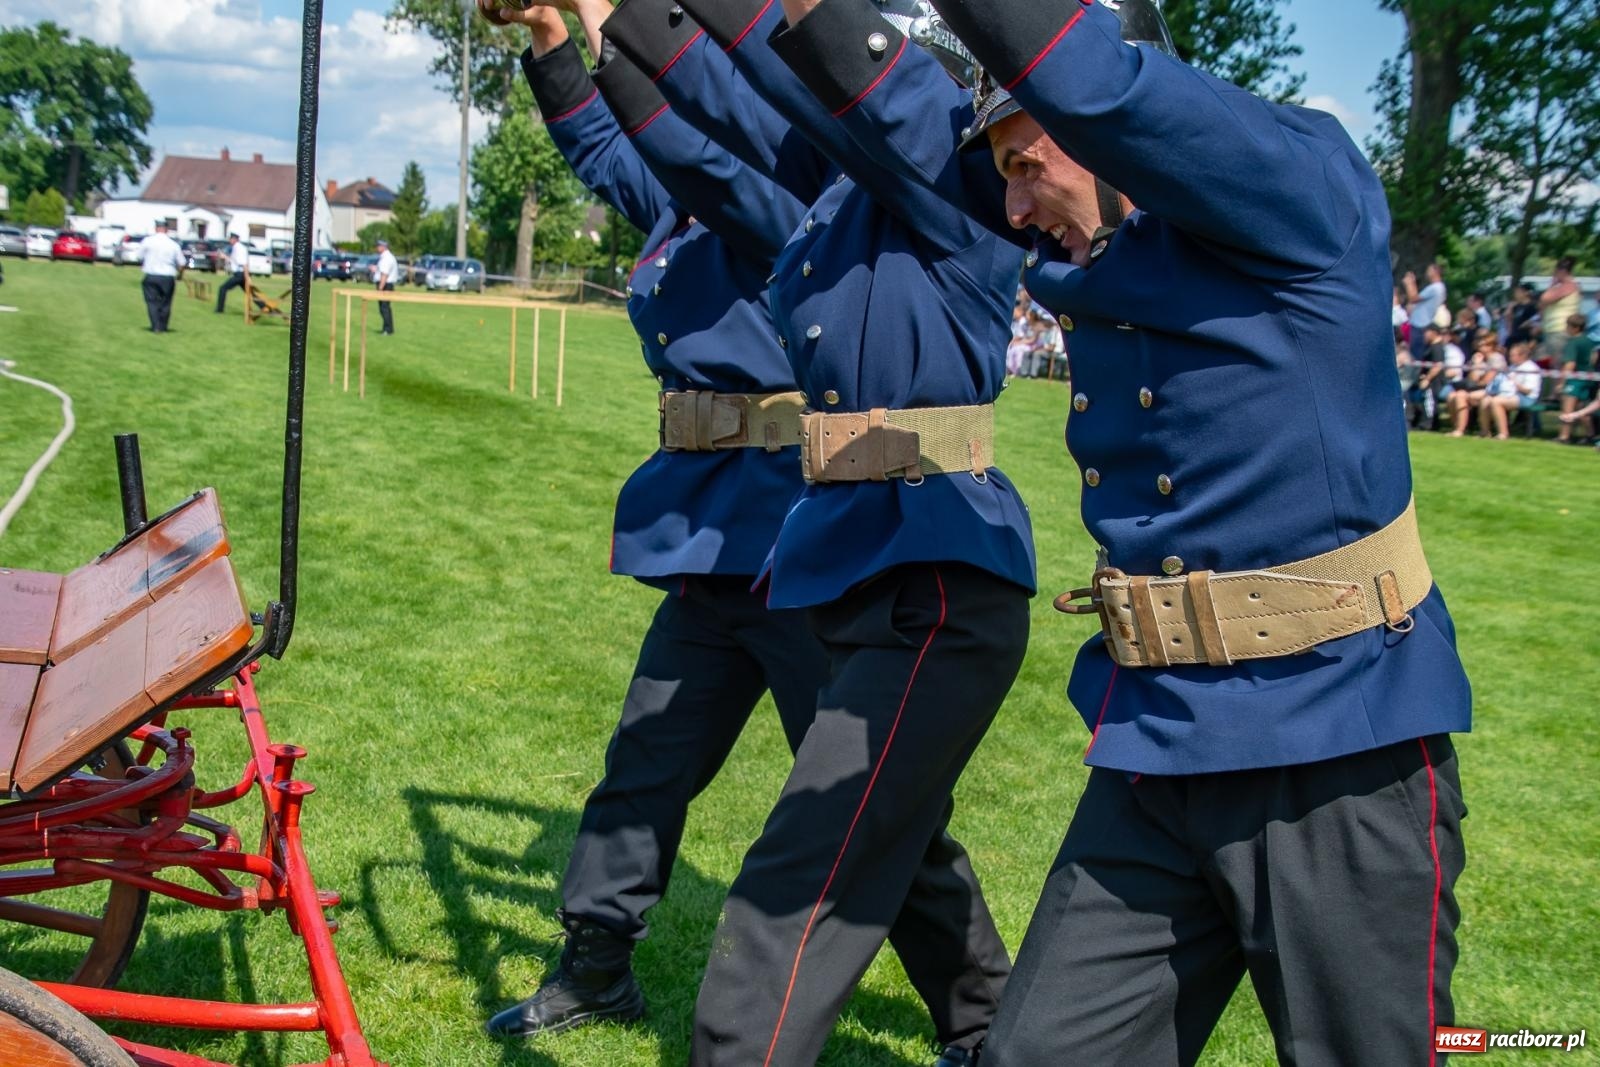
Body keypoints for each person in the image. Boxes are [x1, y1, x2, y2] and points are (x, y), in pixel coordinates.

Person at [859, 0, 1471, 1060]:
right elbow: (875, 112)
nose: (1011, 205)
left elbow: (1104, 88)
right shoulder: (1116, 255)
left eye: (1024, 162)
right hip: (1163, 737)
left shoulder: (1297, 182)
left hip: (1335, 738)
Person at [481, 7, 1012, 1063]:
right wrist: (555, 38)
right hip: (711, 531)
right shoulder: (703, 191)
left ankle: (982, 1013)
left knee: (866, 807)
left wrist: (609, 16)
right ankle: (594, 957)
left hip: (796, 529)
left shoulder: (810, 194)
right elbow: (617, 138)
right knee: (647, 756)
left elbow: (714, 121)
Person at [1479, 341, 1543, 438]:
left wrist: (1515, 382)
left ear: (1523, 356)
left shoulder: (1531, 368)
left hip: (1527, 398)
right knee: (1485, 401)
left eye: (1513, 355)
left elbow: (1528, 391)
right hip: (1510, 394)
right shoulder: (1513, 367)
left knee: (1496, 402)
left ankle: (1503, 433)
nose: (1510, 358)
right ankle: (1485, 432)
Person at [1555, 313, 1596, 444]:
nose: (1566, 329)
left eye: (1568, 326)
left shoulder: (1573, 342)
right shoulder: (1589, 341)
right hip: (1589, 377)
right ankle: (1590, 435)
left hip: (1575, 379)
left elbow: (1570, 364)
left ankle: (1564, 436)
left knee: (1568, 405)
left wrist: (1562, 382)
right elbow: (1594, 357)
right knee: (1581, 408)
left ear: (1575, 328)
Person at [138, 221, 186, 333]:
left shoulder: (148, 241)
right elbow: (182, 263)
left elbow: (139, 256)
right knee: (166, 302)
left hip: (151, 275)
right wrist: (180, 275)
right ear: (166, 230)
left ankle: (155, 326)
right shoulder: (173, 244)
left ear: (156, 229)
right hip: (168, 276)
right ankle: (163, 326)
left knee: (152, 302)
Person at [1538, 256, 1580, 361]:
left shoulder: (1568, 286)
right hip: (1552, 330)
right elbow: (1542, 305)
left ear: (1562, 271)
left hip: (1560, 330)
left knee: (1557, 363)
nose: (1554, 275)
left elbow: (1545, 298)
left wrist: (1552, 284)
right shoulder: (1563, 287)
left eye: (1555, 272)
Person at [1405, 262, 1448, 361]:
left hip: (1420, 323)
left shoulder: (1434, 287)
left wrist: (1410, 283)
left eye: (1429, 270)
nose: (1427, 272)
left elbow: (1413, 298)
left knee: (1414, 353)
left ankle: (1412, 374)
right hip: (1424, 322)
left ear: (1435, 272)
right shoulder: (1441, 288)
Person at [214, 233, 250, 314]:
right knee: (249, 293)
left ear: (235, 239)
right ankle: (264, 306)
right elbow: (234, 261)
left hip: (240, 274)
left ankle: (220, 309)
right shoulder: (237, 247)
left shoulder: (238, 248)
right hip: (240, 274)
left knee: (222, 288)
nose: (229, 240)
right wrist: (225, 257)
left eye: (231, 239)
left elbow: (243, 263)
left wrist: (247, 276)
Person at [374, 238, 398, 335]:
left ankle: (388, 329)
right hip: (386, 284)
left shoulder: (386, 258)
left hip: (385, 285)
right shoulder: (386, 257)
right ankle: (387, 328)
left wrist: (380, 288)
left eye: (378, 246)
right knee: (385, 308)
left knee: (384, 308)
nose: (377, 248)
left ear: (383, 247)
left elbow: (384, 274)